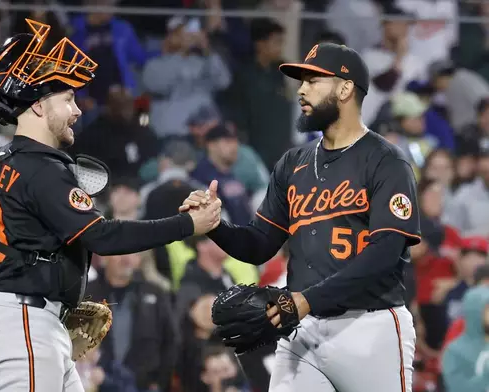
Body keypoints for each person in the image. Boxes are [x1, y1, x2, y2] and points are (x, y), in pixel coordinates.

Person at [0, 19, 222, 392]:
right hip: (25, 326)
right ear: (37, 107)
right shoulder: (41, 167)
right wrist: (187, 226)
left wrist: (29, 291)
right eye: (67, 99)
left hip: (20, 321)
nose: (77, 110)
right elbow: (103, 237)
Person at [180, 42, 420, 392]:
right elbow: (260, 244)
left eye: (313, 80)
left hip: (371, 328)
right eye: (301, 81)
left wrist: (306, 300)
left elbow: (385, 254)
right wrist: (216, 226)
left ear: (345, 88)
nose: (302, 89)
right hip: (302, 328)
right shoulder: (294, 163)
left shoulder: (387, 162)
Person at [441, 285, 489, 391]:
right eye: (488, 309)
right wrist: (486, 375)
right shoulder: (454, 351)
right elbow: (457, 388)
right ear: (475, 312)